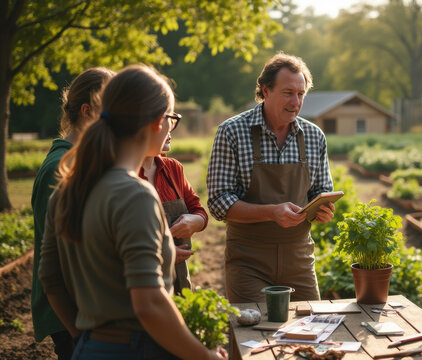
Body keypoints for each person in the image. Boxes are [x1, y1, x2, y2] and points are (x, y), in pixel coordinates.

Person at [39, 65, 227, 359]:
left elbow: (50, 279)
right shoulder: (136, 194)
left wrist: (84, 337)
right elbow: (149, 304)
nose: (170, 127)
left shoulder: (68, 189)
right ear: (156, 121)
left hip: (88, 348)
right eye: (171, 118)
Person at [207, 53, 335, 303]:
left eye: (300, 94)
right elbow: (218, 202)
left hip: (299, 260)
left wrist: (323, 211)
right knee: (253, 334)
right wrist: (271, 212)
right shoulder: (232, 132)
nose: (295, 102)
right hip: (248, 261)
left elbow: (320, 192)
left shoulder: (314, 136)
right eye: (288, 93)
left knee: (312, 329)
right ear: (265, 90)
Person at [31, 67, 115, 359]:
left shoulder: (84, 161)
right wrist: (80, 332)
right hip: (72, 317)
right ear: (88, 111)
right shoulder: (59, 169)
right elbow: (57, 261)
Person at [139, 130, 208, 295]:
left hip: (178, 279)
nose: (170, 130)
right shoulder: (123, 176)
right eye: (163, 121)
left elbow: (198, 211)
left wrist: (195, 221)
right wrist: (163, 253)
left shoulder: (173, 168)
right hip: (142, 282)